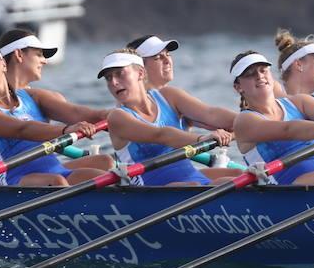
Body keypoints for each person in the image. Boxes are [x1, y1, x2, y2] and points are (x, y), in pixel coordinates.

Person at [0, 30, 112, 186]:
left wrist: (112, 115)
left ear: (3, 64)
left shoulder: (32, 97)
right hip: (12, 178)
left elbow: (76, 112)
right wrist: (66, 130)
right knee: (57, 182)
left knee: (106, 170)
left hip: (54, 170)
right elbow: (22, 129)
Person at [99, 50, 235, 186]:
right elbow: (161, 135)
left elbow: (210, 114)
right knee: (194, 186)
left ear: (140, 73)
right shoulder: (118, 117)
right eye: (108, 78)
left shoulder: (169, 96)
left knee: (234, 179)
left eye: (119, 74)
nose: (114, 82)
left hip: (193, 180)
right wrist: (202, 139)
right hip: (150, 189)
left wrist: (247, 122)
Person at [230, 51, 314, 185]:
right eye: (250, 74)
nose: (259, 76)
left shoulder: (299, 102)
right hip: (281, 188)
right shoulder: (245, 121)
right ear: (238, 87)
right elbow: (288, 130)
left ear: (271, 77)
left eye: (263, 71)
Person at [127, 34, 238, 131]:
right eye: (157, 57)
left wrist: (241, 125)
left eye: (168, 54)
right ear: (140, 69)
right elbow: (211, 115)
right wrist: (249, 122)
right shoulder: (170, 95)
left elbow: (211, 118)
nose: (167, 61)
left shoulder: (123, 104)